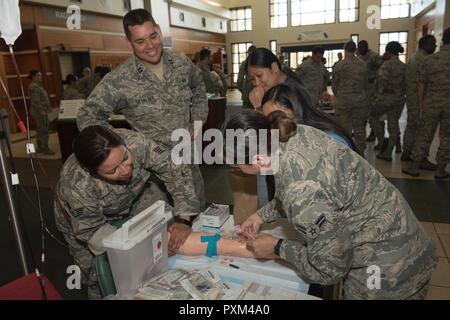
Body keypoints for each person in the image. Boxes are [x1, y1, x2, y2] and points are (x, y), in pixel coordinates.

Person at [223, 110, 437, 300]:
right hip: (404, 239)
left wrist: (277, 247)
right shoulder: (290, 135)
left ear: (259, 159)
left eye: (238, 165)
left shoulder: (301, 193)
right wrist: (260, 216)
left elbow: (328, 269)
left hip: (386, 271)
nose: (238, 170)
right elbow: (293, 185)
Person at [76, 8, 208, 209]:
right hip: (151, 180)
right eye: (140, 41)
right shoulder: (119, 80)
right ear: (129, 42)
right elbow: (87, 117)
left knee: (197, 222)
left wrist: (197, 121)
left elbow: (199, 88)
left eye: (153, 36)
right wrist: (127, 144)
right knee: (158, 232)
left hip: (188, 165)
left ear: (159, 31)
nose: (150, 46)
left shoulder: (181, 63)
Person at [54, 126, 201, 299]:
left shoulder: (136, 143)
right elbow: (93, 231)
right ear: (91, 172)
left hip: (129, 200)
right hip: (85, 224)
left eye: (125, 158)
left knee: (153, 252)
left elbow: (175, 171)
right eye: (112, 170)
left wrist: (183, 220)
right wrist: (145, 250)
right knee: (98, 274)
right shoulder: (76, 185)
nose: (125, 170)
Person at [403, 28, 450, 179]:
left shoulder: (429, 60)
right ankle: (441, 169)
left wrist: (422, 103)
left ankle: (414, 166)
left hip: (431, 102)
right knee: (446, 136)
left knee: (424, 134)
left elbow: (421, 85)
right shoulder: (423, 59)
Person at [401, 35, 437, 171]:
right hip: (419, 98)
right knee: (423, 130)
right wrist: (423, 103)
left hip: (411, 98)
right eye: (432, 44)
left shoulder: (413, 57)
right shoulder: (424, 60)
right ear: (425, 44)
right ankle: (420, 158)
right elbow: (422, 83)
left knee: (412, 125)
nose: (434, 46)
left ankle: (407, 151)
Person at [332, 41, 369, 155]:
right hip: (360, 101)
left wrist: (340, 95)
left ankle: (346, 154)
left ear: (345, 49)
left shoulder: (339, 65)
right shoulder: (363, 64)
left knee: (344, 129)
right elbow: (365, 83)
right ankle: (361, 153)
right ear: (355, 49)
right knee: (359, 129)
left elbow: (334, 85)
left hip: (343, 102)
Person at [372, 41, 406, 161]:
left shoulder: (386, 65)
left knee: (374, 117)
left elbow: (381, 81)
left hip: (386, 99)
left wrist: (383, 92)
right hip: (400, 99)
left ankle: (382, 144)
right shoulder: (403, 66)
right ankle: (392, 148)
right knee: (393, 123)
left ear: (388, 51)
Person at [357, 40, 383, 145]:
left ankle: (375, 134)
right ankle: (364, 132)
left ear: (366, 47)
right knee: (363, 113)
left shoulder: (374, 56)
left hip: (373, 91)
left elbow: (383, 68)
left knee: (373, 114)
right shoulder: (359, 58)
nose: (359, 50)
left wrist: (375, 78)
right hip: (363, 91)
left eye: (361, 48)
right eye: (359, 48)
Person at [27, 70, 55, 155]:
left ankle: (40, 147)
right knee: (44, 130)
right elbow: (36, 101)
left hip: (42, 110)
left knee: (40, 129)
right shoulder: (34, 87)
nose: (40, 77)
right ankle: (45, 148)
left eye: (40, 75)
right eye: (38, 75)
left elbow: (43, 99)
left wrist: (49, 108)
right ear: (33, 77)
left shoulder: (38, 86)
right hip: (39, 111)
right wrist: (41, 110)